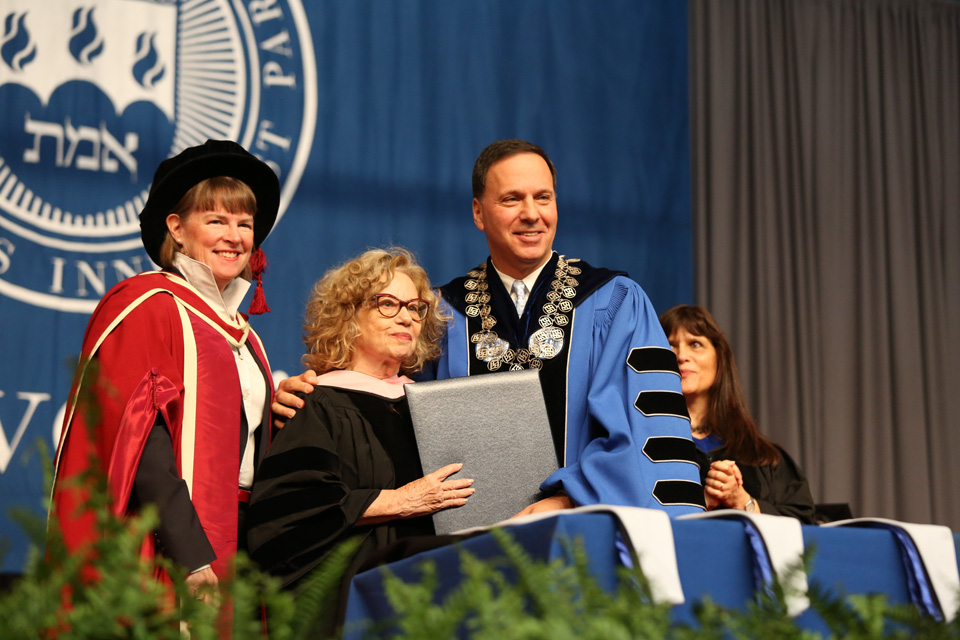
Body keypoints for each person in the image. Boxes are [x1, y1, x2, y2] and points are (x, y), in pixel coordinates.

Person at [275, 140, 704, 517]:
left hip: (583, 528)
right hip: (471, 546)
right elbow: (378, 400)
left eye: (544, 197)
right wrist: (310, 392)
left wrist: (570, 498)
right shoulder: (441, 312)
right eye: (512, 199)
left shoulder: (614, 301)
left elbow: (646, 427)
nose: (532, 214)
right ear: (479, 212)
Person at [50, 140, 279, 602]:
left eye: (244, 224)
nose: (233, 236)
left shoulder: (246, 336)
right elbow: (140, 439)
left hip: (242, 539)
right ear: (176, 227)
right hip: (169, 543)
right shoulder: (148, 307)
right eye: (216, 220)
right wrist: (190, 554)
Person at [245, 248, 473, 588]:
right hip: (356, 601)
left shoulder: (433, 407)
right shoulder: (316, 404)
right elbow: (286, 520)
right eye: (387, 304)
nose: (406, 317)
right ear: (349, 317)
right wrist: (400, 501)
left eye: (414, 308)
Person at [659, 305, 815, 522]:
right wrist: (702, 503)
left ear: (719, 358)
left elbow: (804, 525)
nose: (682, 355)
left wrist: (742, 501)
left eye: (695, 344)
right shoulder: (644, 448)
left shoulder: (760, 456)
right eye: (670, 346)